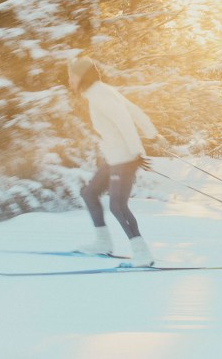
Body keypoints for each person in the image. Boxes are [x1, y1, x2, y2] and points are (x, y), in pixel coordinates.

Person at [68, 56, 159, 267]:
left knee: (117, 205)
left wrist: (137, 152)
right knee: (90, 193)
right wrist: (152, 134)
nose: (70, 81)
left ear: (82, 76)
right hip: (115, 158)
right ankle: (103, 243)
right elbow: (134, 110)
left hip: (124, 158)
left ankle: (142, 254)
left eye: (72, 76)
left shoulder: (101, 95)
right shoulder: (100, 92)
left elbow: (125, 120)